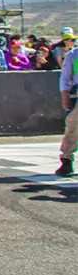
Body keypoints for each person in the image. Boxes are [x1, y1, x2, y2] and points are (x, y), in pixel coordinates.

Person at [55, 42, 78, 176]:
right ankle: (67, 159)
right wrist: (65, 96)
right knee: (73, 127)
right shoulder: (72, 55)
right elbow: (65, 77)